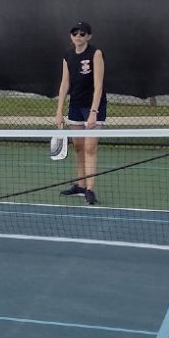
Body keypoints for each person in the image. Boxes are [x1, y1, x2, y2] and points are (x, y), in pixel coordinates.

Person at [53, 21, 107, 205]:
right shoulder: (68, 55)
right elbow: (64, 84)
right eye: (75, 33)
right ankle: (81, 185)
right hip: (75, 106)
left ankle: (90, 189)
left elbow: (99, 85)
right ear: (71, 36)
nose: (78, 36)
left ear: (89, 36)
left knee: (90, 148)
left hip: (92, 107)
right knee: (78, 147)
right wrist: (59, 110)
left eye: (82, 34)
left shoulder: (95, 53)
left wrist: (93, 111)